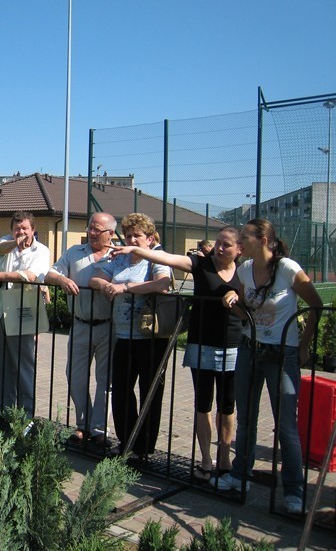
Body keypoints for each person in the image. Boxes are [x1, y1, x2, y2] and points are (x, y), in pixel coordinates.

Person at [109, 226, 242, 480]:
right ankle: (205, 461)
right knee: (203, 403)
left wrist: (236, 294)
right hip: (202, 342)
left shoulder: (243, 272)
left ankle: (224, 460)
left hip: (233, 344)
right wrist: (136, 249)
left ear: (239, 250)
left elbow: (251, 298)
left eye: (226, 245)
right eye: (218, 243)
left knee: (227, 405)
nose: (220, 248)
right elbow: (167, 258)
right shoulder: (200, 264)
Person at [217, 218, 322, 514]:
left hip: (282, 354)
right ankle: (240, 477)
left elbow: (315, 305)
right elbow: (240, 304)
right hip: (250, 350)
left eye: (245, 238)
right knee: (246, 418)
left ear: (263, 240)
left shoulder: (287, 268)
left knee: (286, 425)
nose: (240, 242)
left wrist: (303, 347)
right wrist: (231, 297)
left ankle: (294, 490)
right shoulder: (246, 269)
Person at [89, 212, 171, 459]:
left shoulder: (157, 258)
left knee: (150, 393)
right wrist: (105, 285)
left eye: (138, 235)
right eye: (129, 235)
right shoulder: (120, 259)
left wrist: (125, 287)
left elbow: (162, 284)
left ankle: (144, 447)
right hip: (123, 335)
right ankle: (126, 441)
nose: (132, 240)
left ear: (149, 237)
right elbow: (96, 278)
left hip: (151, 338)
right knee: (122, 391)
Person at [43, 212, 117, 444]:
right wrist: (63, 280)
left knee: (106, 381)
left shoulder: (119, 256)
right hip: (80, 324)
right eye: (90, 228)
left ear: (111, 234)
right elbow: (50, 273)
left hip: (109, 327)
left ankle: (98, 430)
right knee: (75, 377)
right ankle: (82, 425)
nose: (92, 233)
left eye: (98, 230)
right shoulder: (75, 252)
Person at [0, 211, 50, 417]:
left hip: (24, 311)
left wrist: (1, 275)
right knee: (1, 363)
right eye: (17, 228)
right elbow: (0, 250)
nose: (20, 232)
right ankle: (4, 407)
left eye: (25, 228)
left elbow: (31, 275)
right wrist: (16, 242)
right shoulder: (6, 243)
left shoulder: (41, 250)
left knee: (23, 365)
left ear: (33, 230)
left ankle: (25, 413)